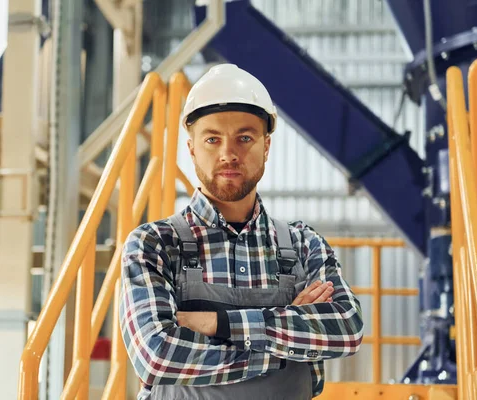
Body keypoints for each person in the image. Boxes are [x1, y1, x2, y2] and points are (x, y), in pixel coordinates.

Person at [119, 63, 364, 400]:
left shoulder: (304, 244)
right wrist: (286, 345)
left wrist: (218, 325)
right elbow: (157, 357)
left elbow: (347, 329)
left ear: (266, 146)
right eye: (212, 139)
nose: (228, 154)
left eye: (244, 138)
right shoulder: (154, 244)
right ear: (191, 148)